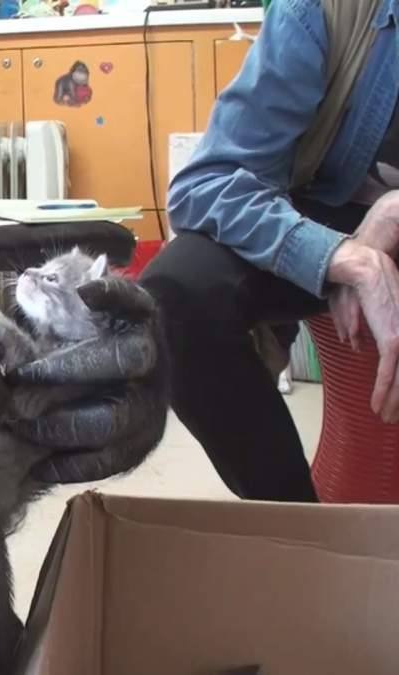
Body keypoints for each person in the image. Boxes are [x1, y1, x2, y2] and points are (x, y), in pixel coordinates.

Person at [141, 0, 399, 502]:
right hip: (334, 209)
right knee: (180, 296)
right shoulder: (320, 11)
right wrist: (343, 257)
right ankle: (297, 533)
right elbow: (207, 184)